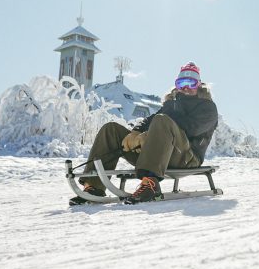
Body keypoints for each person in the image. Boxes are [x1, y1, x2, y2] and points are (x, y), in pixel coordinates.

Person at [78, 62, 219, 203]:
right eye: (182, 83)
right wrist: (136, 132)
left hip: (187, 158)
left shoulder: (207, 107)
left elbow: (191, 128)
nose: (186, 88)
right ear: (177, 86)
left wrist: (152, 133)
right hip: (160, 153)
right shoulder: (171, 105)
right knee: (111, 130)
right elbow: (149, 121)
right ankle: (93, 186)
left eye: (191, 83)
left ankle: (151, 184)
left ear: (199, 85)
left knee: (162, 120)